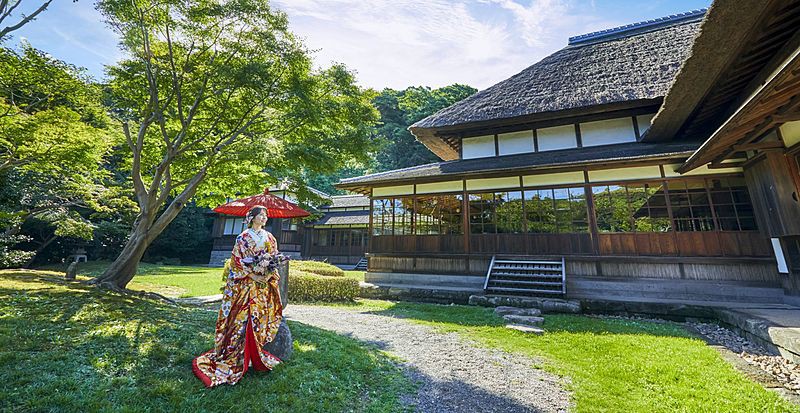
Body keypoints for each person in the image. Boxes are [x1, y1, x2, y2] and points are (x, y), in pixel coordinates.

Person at [193, 205, 283, 387]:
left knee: (259, 318)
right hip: (245, 284)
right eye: (261, 215)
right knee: (242, 318)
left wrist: (266, 273)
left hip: (262, 286)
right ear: (252, 217)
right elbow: (236, 262)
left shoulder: (270, 237)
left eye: (266, 215)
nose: (265, 218)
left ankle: (254, 354)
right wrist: (253, 274)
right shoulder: (242, 237)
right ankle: (237, 353)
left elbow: (273, 258)